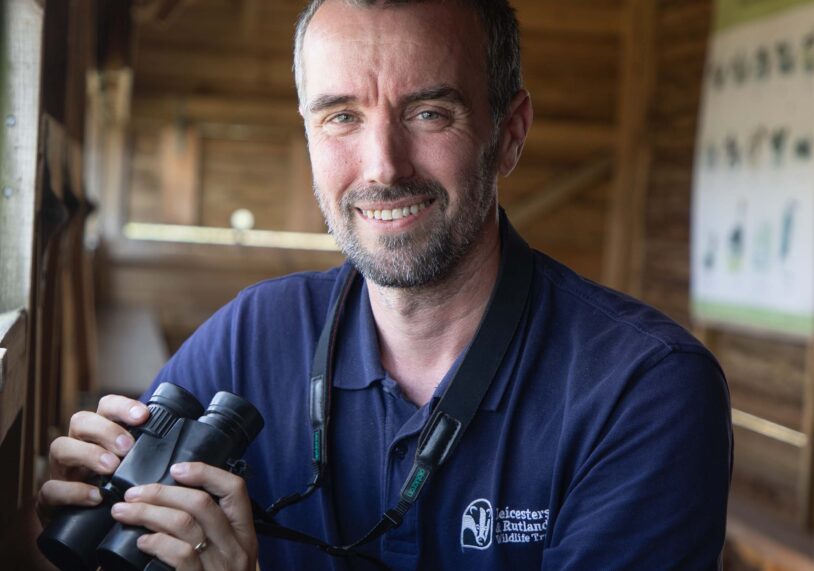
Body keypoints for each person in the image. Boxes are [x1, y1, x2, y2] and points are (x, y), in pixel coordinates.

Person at [37, 0, 733, 569]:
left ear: (510, 133)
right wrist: (99, 501)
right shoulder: (254, 336)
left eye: (429, 112)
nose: (382, 166)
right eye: (341, 116)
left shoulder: (645, 389)